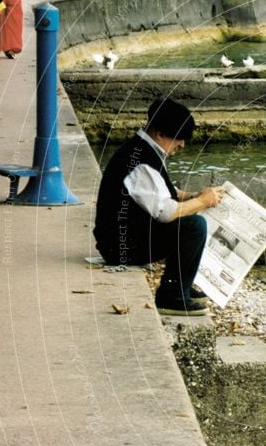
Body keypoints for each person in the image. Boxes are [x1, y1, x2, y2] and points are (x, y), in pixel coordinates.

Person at [93, 99, 226, 316]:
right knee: (193, 225)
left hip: (124, 236)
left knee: (192, 216)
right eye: (179, 138)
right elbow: (166, 212)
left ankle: (181, 283)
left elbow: (163, 190)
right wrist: (202, 202)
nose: (182, 144)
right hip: (120, 247)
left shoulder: (143, 149)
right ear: (160, 134)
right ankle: (171, 296)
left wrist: (193, 196)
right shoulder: (142, 161)